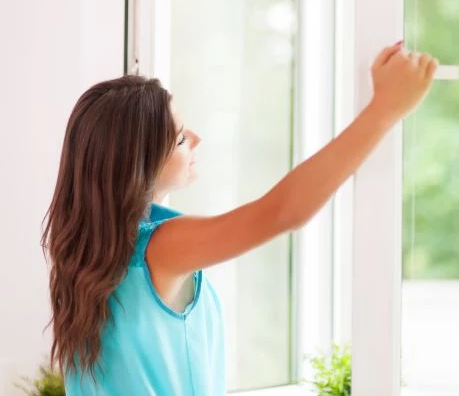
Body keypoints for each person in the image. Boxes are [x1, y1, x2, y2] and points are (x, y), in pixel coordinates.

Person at [42, 41, 438, 395]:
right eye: (180, 137)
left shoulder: (85, 250)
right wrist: (384, 110)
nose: (195, 139)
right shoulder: (160, 249)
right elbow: (284, 211)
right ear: (137, 164)